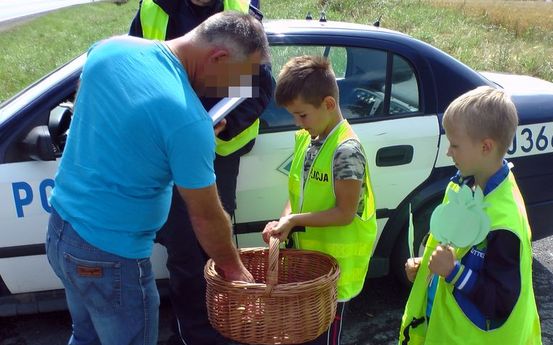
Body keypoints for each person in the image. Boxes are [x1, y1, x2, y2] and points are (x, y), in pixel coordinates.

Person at [45, 12, 269, 345]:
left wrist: (176, 138)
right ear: (218, 57)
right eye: (238, 78)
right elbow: (206, 217)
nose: (235, 90)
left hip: (62, 232)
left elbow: (94, 99)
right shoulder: (187, 121)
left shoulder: (111, 49)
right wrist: (235, 271)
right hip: (111, 257)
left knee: (86, 336)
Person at [128, 1, 273, 344]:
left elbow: (260, 85)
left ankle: (224, 325)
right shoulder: (153, 9)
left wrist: (226, 124)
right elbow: (136, 73)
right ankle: (194, 334)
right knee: (184, 252)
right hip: (168, 147)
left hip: (219, 151)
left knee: (213, 246)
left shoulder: (242, 9)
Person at [399, 86, 542, 344]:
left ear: (486, 147)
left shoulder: (503, 222)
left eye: (455, 145)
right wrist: (427, 268)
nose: (448, 152)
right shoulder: (463, 184)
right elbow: (459, 250)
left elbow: (500, 301)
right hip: (442, 329)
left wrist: (453, 272)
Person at [262, 55, 378, 345]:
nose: (297, 122)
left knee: (324, 339)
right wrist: (283, 220)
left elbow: (345, 213)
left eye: (302, 115)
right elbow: (296, 195)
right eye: (293, 116)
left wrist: (295, 221)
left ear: (328, 104)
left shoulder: (346, 151)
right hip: (310, 270)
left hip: (335, 277)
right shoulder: (308, 138)